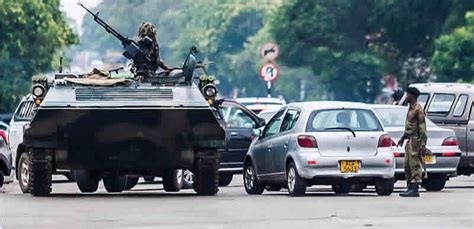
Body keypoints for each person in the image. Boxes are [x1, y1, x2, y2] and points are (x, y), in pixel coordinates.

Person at [397, 87, 427, 197]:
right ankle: (409, 187)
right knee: (407, 165)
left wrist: (422, 144)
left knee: (415, 164)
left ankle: (415, 188)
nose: (406, 96)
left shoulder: (418, 109)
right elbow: (410, 127)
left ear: (412, 96)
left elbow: (422, 128)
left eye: (407, 94)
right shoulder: (410, 108)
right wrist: (402, 138)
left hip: (416, 140)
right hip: (409, 139)